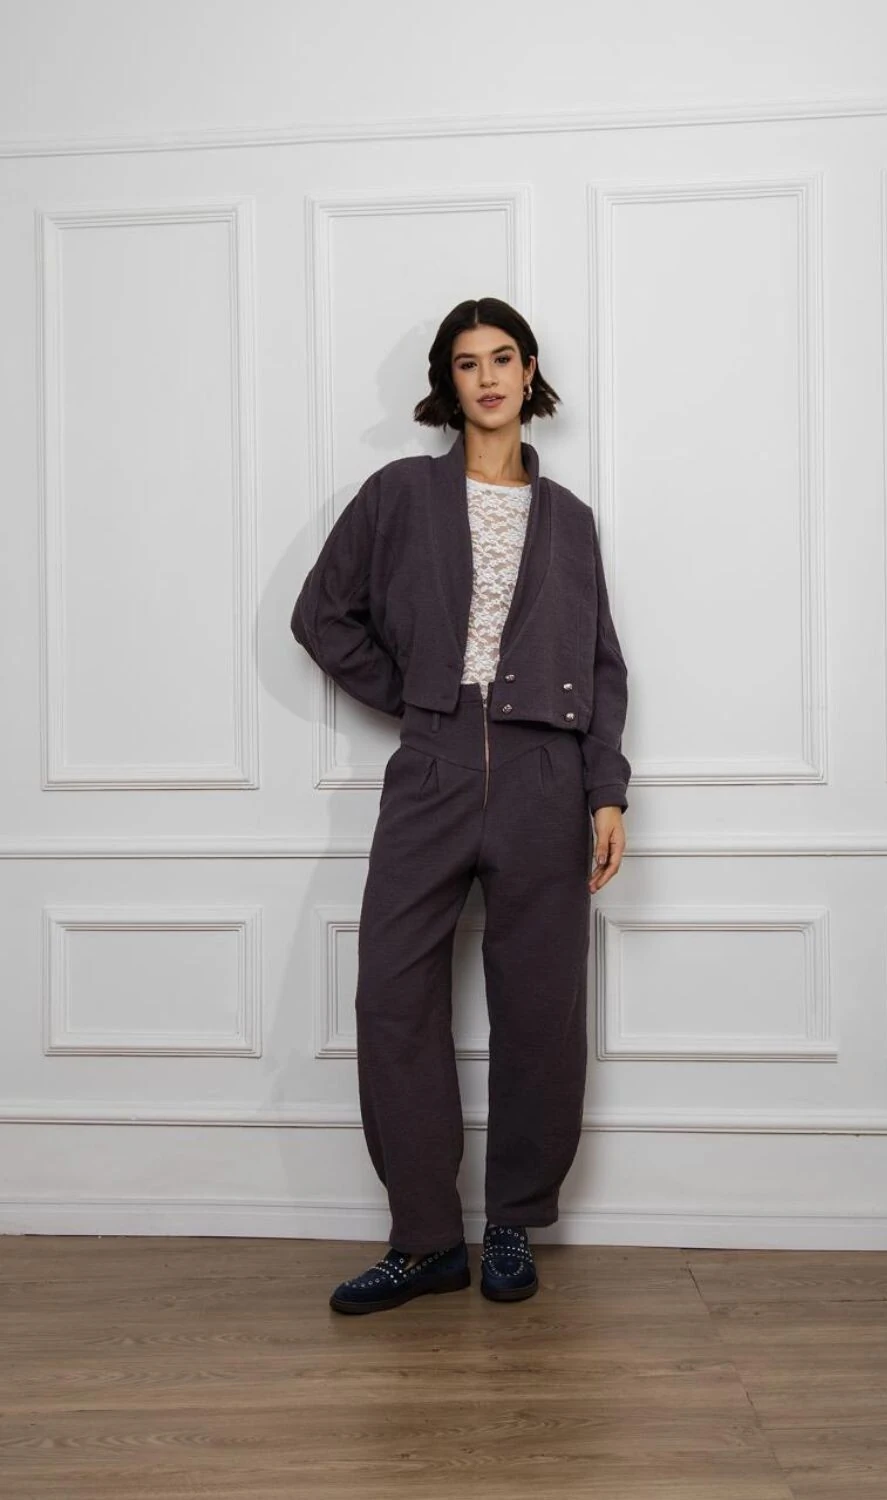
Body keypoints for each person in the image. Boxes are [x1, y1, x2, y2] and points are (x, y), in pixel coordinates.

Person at [290, 296, 631, 1314]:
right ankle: (426, 1239)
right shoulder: (398, 494)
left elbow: (601, 666)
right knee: (391, 993)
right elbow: (322, 614)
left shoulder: (569, 519)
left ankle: (512, 1224)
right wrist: (418, 695)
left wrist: (606, 790)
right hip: (432, 766)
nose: (487, 377)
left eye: (504, 358)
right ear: (448, 381)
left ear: (530, 375)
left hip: (545, 778)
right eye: (467, 362)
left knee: (540, 1007)